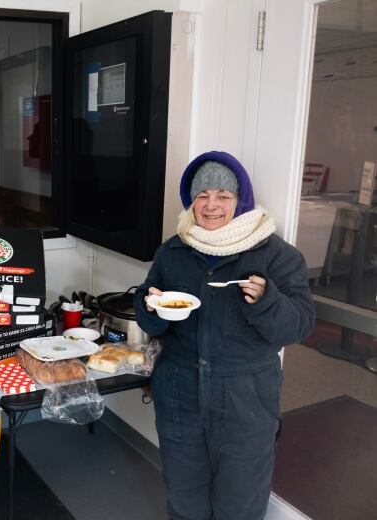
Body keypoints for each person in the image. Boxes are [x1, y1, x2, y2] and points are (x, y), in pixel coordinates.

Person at [134, 151, 315, 520]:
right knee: (185, 499)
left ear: (241, 200)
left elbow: (301, 325)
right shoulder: (174, 250)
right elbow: (151, 314)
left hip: (247, 399)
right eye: (202, 196)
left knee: (240, 504)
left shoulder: (277, 256)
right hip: (179, 393)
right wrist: (149, 307)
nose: (211, 205)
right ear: (191, 201)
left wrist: (267, 302)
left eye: (223, 196)